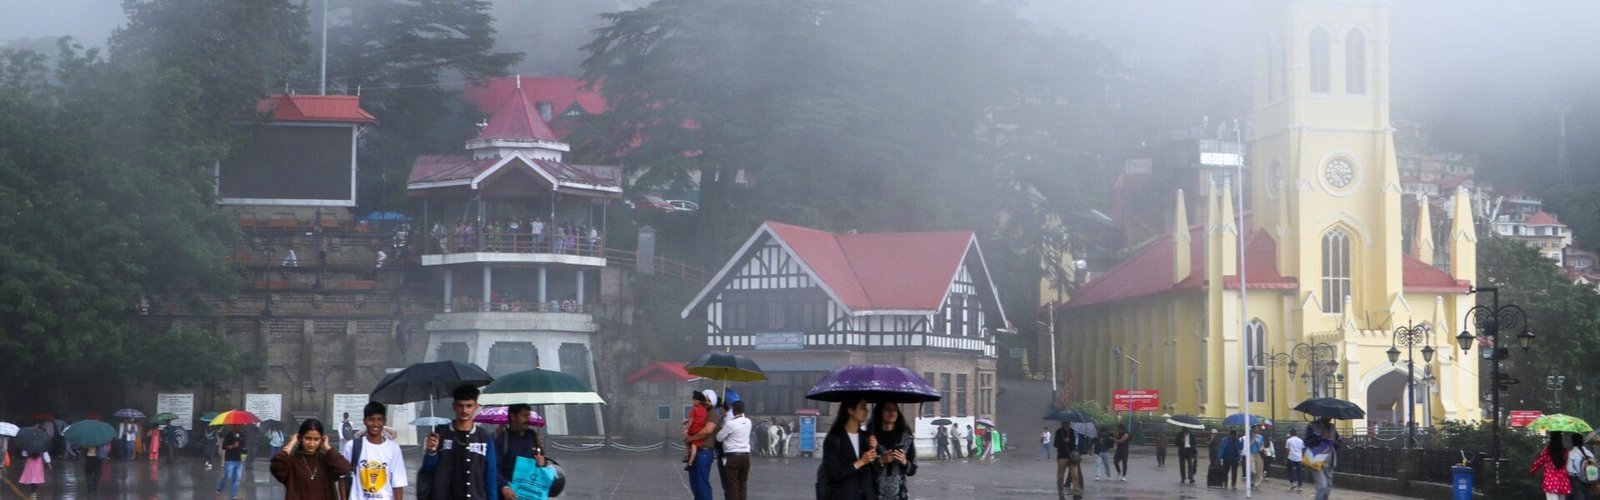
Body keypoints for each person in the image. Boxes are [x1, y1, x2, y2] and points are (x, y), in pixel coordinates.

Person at [420, 384, 500, 500]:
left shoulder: (484, 437)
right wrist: (431, 453)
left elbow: (490, 475)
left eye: (469, 406)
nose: (464, 411)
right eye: (460, 406)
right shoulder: (440, 433)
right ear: (454, 406)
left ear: (476, 406)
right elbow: (428, 470)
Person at [270, 418, 354, 500]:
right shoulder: (292, 461)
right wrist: (291, 444)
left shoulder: (327, 460)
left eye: (316, 439)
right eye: (308, 438)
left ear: (321, 440)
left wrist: (328, 448)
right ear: (300, 438)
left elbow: (345, 468)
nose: (312, 444)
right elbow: (276, 467)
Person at [342, 402, 408, 500]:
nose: (375, 424)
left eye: (379, 419)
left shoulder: (393, 449)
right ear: (364, 421)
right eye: (371, 419)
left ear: (384, 421)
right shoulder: (351, 446)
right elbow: (342, 478)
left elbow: (398, 483)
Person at [819, 397, 877, 500]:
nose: (867, 410)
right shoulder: (834, 439)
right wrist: (861, 462)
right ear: (850, 410)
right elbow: (833, 474)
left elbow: (874, 472)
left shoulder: (866, 438)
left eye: (867, 407)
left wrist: (874, 450)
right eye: (862, 407)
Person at [496, 403, 550, 500]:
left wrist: (542, 462)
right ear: (513, 416)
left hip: (531, 494)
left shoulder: (533, 436)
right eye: (524, 415)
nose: (528, 419)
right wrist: (504, 486)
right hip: (510, 495)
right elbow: (494, 468)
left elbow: (542, 460)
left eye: (528, 415)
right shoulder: (502, 439)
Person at [870, 401, 917, 500]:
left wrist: (904, 462)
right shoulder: (870, 438)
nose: (892, 412)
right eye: (887, 409)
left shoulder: (906, 438)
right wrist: (880, 461)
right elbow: (863, 469)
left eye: (894, 409)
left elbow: (912, 470)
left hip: (899, 495)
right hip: (875, 494)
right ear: (880, 412)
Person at [716, 391, 753, 500]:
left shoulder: (730, 423)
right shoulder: (748, 422)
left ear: (733, 409)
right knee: (742, 483)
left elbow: (719, 438)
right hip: (745, 456)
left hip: (732, 456)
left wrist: (723, 419)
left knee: (732, 484)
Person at [684, 389, 719, 499]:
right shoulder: (699, 411)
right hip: (693, 451)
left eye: (709, 400)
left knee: (702, 483)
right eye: (705, 400)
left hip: (704, 451)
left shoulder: (712, 414)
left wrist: (691, 438)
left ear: (712, 402)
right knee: (695, 484)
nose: (706, 402)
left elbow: (707, 430)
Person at [1305, 416, 1342, 500]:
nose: (1330, 417)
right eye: (1328, 415)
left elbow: (1339, 442)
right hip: (1316, 460)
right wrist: (1321, 438)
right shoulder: (1312, 426)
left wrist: (1333, 441)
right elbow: (1307, 441)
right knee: (1322, 486)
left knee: (1328, 488)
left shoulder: (1332, 427)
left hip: (1330, 461)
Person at [1531, 431, 1572, 500]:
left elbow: (1539, 462)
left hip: (1550, 481)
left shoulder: (1547, 451)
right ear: (1560, 439)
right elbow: (1568, 466)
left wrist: (1532, 470)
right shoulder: (1565, 451)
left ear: (1551, 439)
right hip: (1563, 481)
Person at [1053, 421, 1083, 500]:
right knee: (1060, 476)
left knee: (1075, 475)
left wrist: (1070, 442)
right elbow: (1055, 444)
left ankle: (1076, 493)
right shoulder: (1059, 432)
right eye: (1066, 423)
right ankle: (1061, 494)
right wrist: (1064, 441)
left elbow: (1074, 444)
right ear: (1063, 424)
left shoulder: (1072, 431)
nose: (1068, 424)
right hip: (1062, 457)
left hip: (1071, 457)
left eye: (1068, 423)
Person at [216, 424, 246, 500]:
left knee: (237, 479)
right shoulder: (228, 435)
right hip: (229, 460)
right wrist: (233, 446)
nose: (239, 428)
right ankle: (219, 489)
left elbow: (244, 446)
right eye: (237, 426)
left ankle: (234, 495)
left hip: (239, 460)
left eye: (240, 426)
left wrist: (243, 450)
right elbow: (224, 446)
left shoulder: (242, 435)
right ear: (234, 427)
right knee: (227, 476)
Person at [683, 390, 710, 471]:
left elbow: (691, 420)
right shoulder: (705, 410)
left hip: (692, 431)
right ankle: (690, 463)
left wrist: (686, 430)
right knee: (694, 446)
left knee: (687, 442)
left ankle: (686, 456)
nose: (692, 402)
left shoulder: (694, 409)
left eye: (694, 400)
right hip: (700, 432)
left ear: (698, 401)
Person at [1567, 432, 1593, 500]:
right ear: (1582, 441)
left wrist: (1577, 473)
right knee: (1588, 496)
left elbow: (1569, 470)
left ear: (1573, 441)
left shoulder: (1571, 453)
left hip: (1578, 480)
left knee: (1579, 497)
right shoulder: (1588, 452)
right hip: (1589, 478)